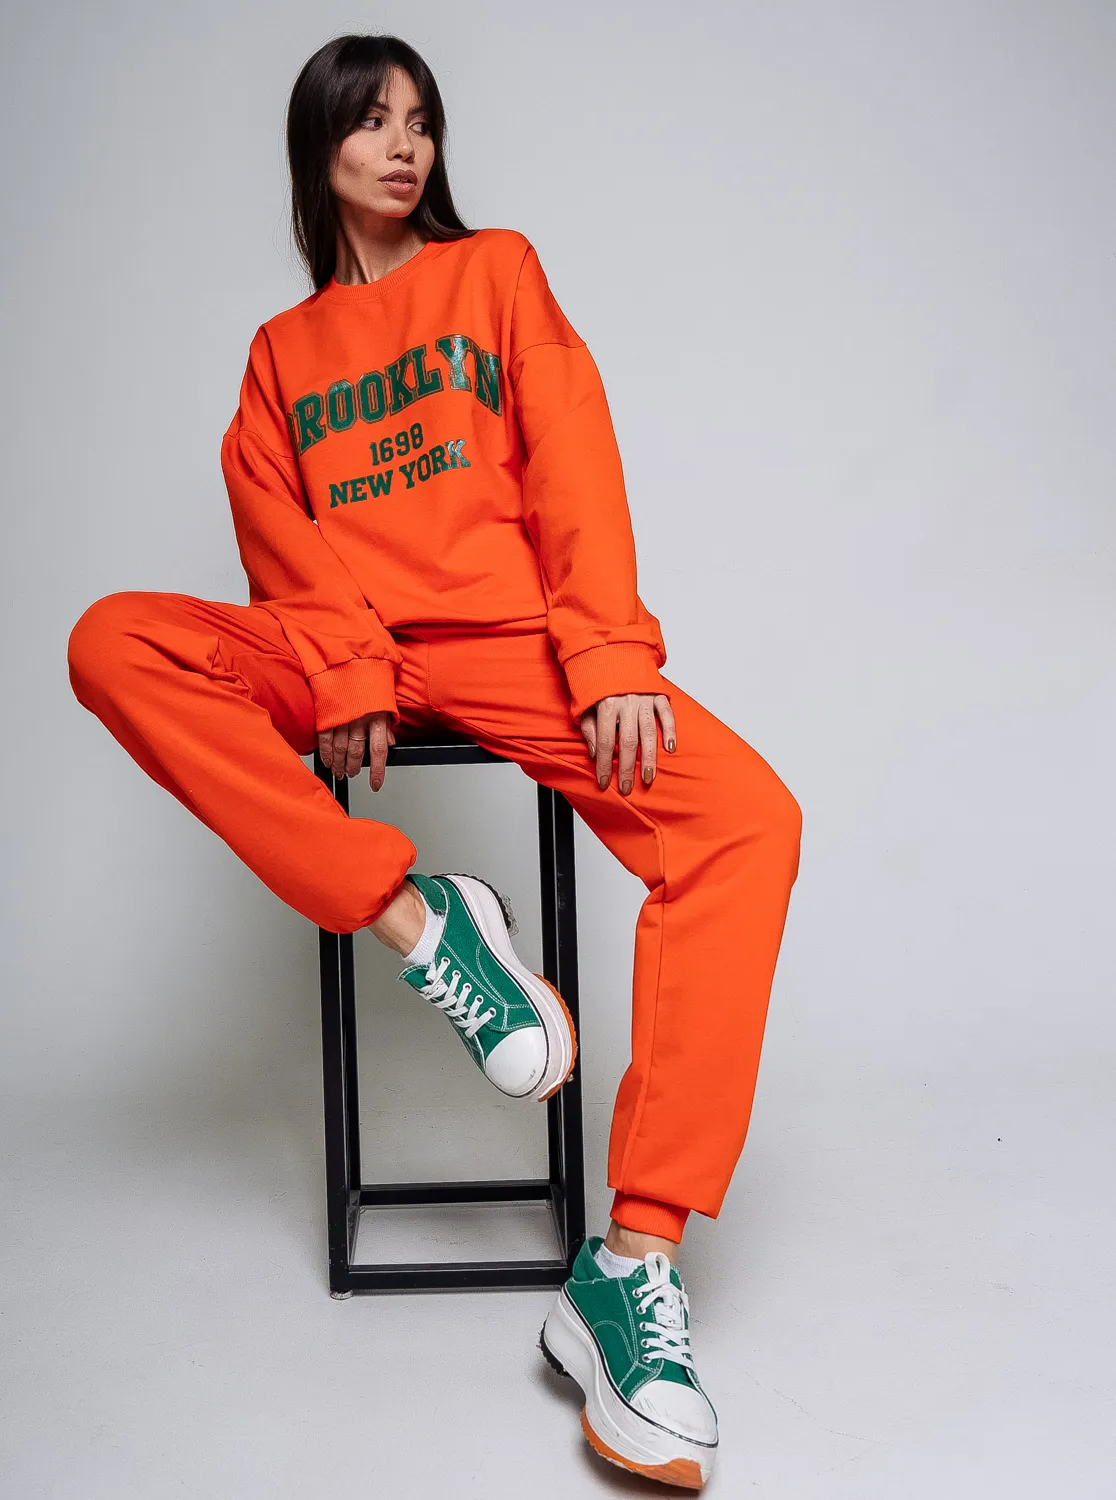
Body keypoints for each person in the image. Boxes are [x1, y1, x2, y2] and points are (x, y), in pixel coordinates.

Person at [67, 33, 802, 1490]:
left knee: (746, 825)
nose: (403, 146)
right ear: (319, 149)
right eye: (371, 121)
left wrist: (608, 655)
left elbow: (572, 454)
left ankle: (630, 1264)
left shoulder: (496, 274)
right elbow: (279, 541)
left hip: (512, 645)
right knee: (114, 643)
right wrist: (345, 668)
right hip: (348, 650)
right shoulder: (280, 358)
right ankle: (424, 924)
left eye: (421, 121)